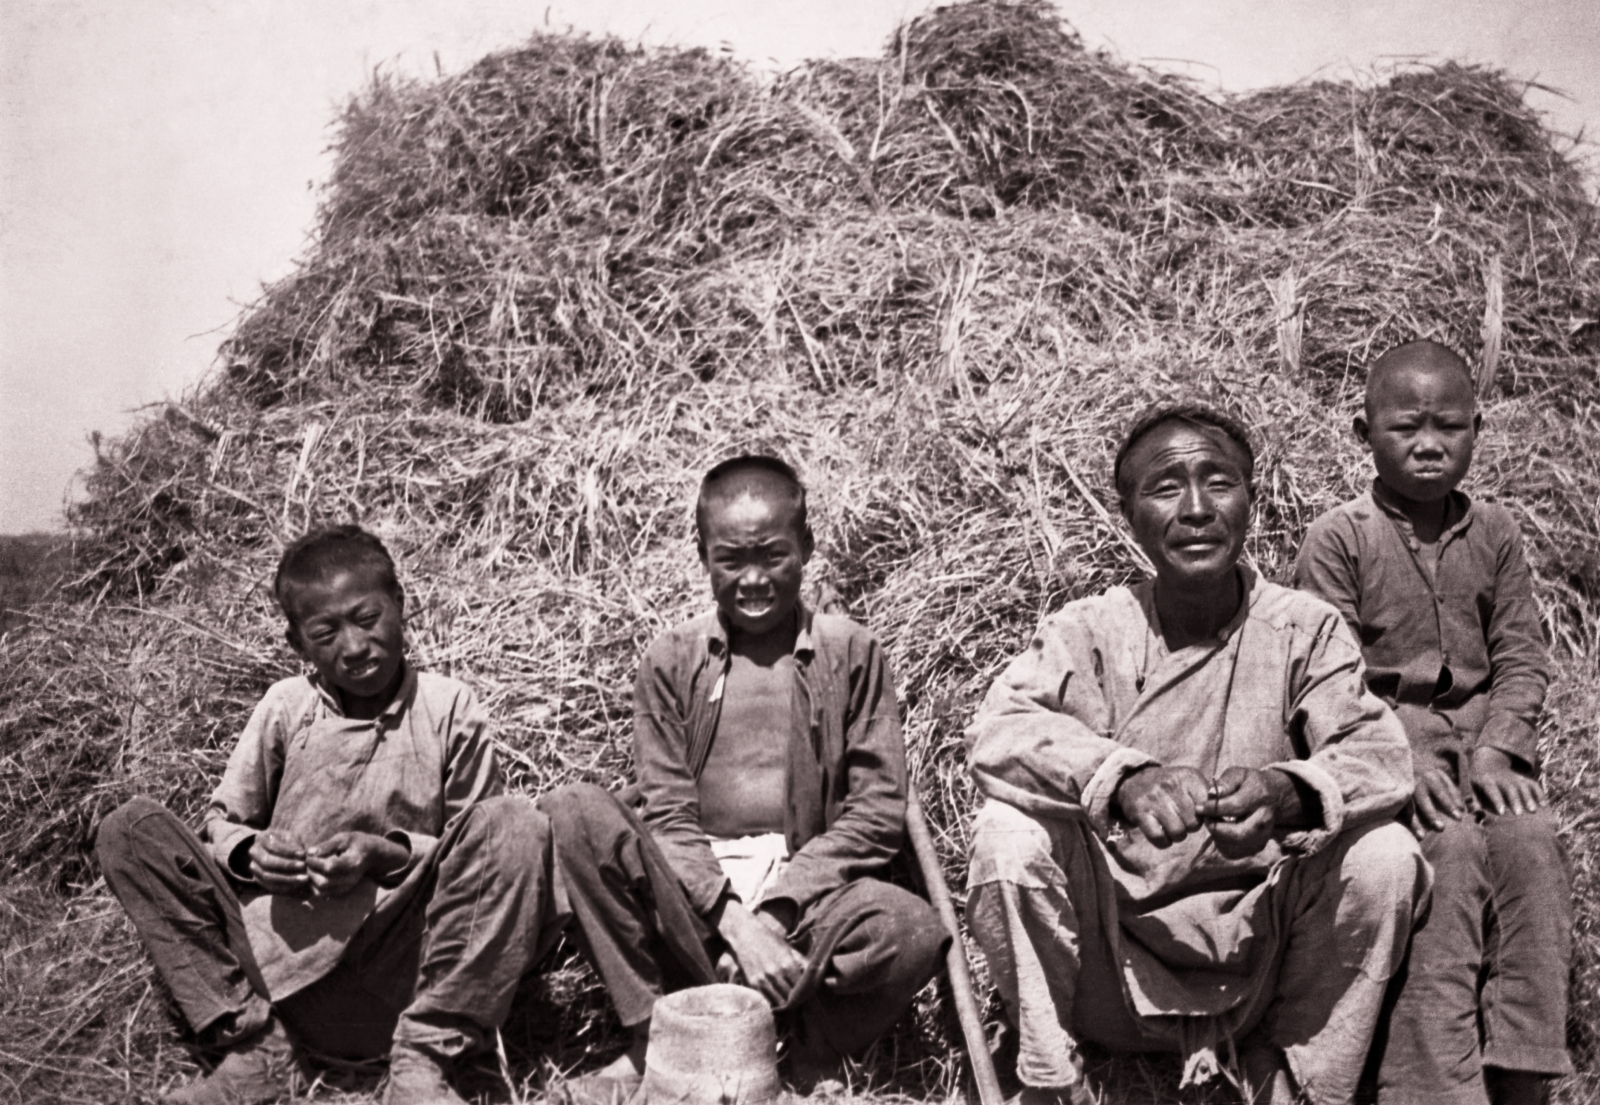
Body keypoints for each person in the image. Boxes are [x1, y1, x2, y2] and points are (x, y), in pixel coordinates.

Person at [965, 403, 1428, 1105]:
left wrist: (1288, 792)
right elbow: (998, 732)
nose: (1195, 508)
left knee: (1388, 857)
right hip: (1113, 968)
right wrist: (1119, 777)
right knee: (1007, 835)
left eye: (1219, 482)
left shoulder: (1304, 629)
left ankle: (1299, 1076)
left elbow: (1380, 753)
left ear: (1251, 500)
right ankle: (1053, 1076)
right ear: (1128, 516)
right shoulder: (1086, 631)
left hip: (1258, 965)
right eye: (1164, 486)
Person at [96, 525, 561, 1105]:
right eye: (326, 632)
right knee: (130, 830)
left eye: (368, 618)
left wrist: (386, 854)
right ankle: (256, 1050)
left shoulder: (447, 706)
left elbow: (480, 853)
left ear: (401, 605)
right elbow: (220, 822)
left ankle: (427, 1057)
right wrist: (250, 850)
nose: (355, 646)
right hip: (278, 969)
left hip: (404, 970)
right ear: (298, 644)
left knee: (515, 822)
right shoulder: (287, 707)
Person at [540, 455, 946, 1098]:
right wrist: (732, 919)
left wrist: (776, 916)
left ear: (807, 547)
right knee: (575, 810)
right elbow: (668, 813)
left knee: (911, 927)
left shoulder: (852, 653)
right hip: (695, 904)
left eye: (773, 556)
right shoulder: (672, 659)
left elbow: (876, 813)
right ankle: (656, 1038)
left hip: (805, 906)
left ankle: (809, 1053)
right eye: (732, 560)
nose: (753, 579)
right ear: (701, 553)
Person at [1294, 340, 1572, 1105]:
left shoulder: (1495, 531)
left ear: (1477, 430)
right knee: (1444, 860)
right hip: (1385, 753)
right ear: (1363, 433)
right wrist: (1401, 762)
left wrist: (1499, 749)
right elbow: (1329, 677)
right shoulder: (1339, 538)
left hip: (1480, 750)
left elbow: (1522, 655)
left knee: (1532, 847)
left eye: (1448, 426)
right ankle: (1433, 1084)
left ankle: (1524, 1070)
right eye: (1404, 428)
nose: (1427, 444)